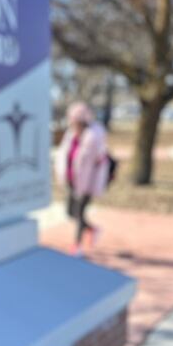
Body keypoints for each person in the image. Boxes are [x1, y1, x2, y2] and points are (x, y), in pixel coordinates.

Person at [54, 101, 110, 257]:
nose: (72, 123)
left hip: (88, 183)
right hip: (73, 180)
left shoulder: (94, 136)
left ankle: (76, 246)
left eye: (75, 120)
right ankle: (92, 229)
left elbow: (96, 163)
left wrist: (89, 186)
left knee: (79, 212)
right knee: (70, 212)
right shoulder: (70, 135)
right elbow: (64, 156)